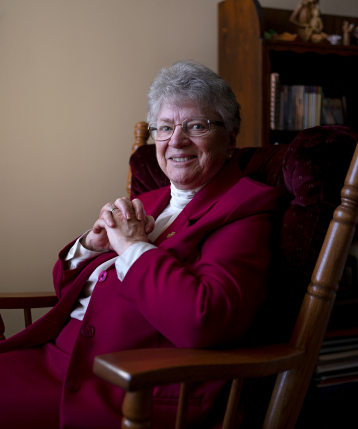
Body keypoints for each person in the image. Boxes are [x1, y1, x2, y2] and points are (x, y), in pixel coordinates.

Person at [0, 60, 280, 429]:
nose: (175, 141)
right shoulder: (150, 200)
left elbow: (206, 320)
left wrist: (132, 247)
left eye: (195, 126)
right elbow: (66, 288)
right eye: (164, 127)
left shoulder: (245, 206)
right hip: (55, 357)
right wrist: (91, 246)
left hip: (124, 383)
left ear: (230, 137)